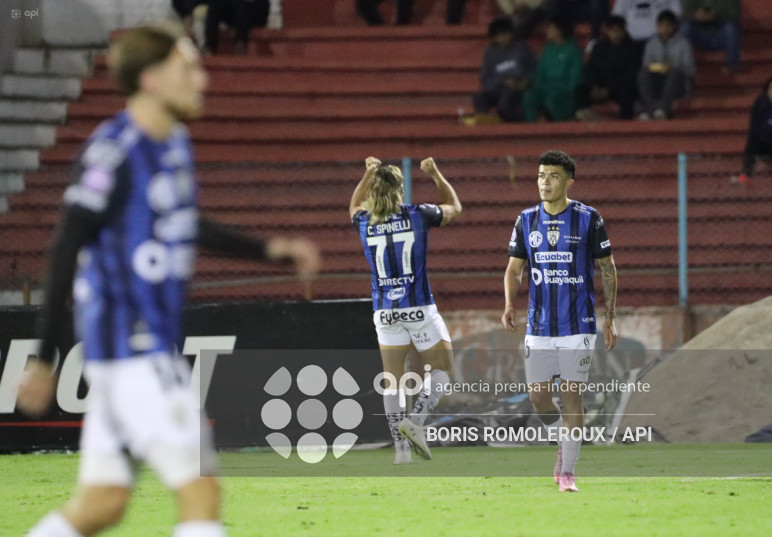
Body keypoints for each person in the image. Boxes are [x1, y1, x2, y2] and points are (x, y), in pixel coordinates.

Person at [16, 24, 320, 537]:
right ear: (153, 79)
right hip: (135, 348)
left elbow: (182, 223)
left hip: (130, 355)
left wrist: (270, 250)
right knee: (200, 491)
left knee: (102, 504)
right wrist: (44, 357)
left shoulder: (173, 143)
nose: (201, 79)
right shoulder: (113, 152)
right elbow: (65, 245)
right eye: (188, 68)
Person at [502, 149, 618, 493]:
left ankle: (567, 472)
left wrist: (610, 316)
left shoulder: (588, 218)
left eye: (552, 176)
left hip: (578, 324)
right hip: (538, 325)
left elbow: (608, 268)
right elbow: (514, 268)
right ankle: (562, 442)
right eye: (540, 175)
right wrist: (509, 303)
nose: (544, 182)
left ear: (569, 181)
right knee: (538, 397)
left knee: (572, 396)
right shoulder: (525, 220)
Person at [349, 156, 461, 464]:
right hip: (418, 307)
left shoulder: (364, 220)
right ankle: (416, 422)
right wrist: (436, 174)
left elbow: (353, 204)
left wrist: (367, 171)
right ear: (401, 190)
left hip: (384, 311)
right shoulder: (419, 214)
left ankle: (400, 450)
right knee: (444, 372)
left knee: (393, 381)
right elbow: (454, 207)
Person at [576, 15, 641, 120]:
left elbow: (630, 74)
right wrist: (595, 86)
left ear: (624, 30)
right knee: (580, 89)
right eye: (612, 30)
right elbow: (591, 69)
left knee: (627, 92)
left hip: (619, 88)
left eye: (617, 30)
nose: (614, 34)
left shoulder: (632, 48)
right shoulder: (599, 47)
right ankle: (587, 118)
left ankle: (624, 124)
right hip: (600, 87)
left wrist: (609, 89)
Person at [473, 17, 537, 122]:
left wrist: (526, 81)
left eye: (506, 34)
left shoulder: (522, 47)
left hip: (517, 87)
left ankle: (519, 123)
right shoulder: (490, 53)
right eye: (500, 35)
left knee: (505, 103)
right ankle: (487, 121)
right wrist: (502, 82)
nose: (503, 38)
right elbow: (485, 78)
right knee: (479, 98)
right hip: (498, 88)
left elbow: (532, 67)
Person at [637, 9, 695, 120]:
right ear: (657, 26)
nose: (664, 29)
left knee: (674, 73)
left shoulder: (683, 44)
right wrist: (658, 66)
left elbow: (690, 70)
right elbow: (646, 65)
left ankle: (663, 109)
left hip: (678, 83)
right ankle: (649, 109)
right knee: (643, 74)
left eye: (668, 26)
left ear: (674, 26)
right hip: (657, 80)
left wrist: (674, 66)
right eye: (661, 26)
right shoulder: (651, 43)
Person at [523, 17, 583, 122]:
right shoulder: (547, 49)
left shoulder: (574, 50)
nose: (547, 31)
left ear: (559, 30)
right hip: (546, 88)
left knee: (552, 98)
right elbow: (539, 73)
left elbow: (575, 77)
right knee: (529, 97)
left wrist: (570, 93)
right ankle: (530, 129)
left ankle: (563, 127)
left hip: (562, 90)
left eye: (550, 28)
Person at [680, 0, 741, 74]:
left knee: (731, 28)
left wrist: (716, 15)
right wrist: (695, 15)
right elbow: (683, 12)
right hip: (699, 34)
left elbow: (735, 13)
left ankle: (733, 65)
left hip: (721, 34)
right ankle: (683, 66)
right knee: (685, 28)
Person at [204, 0, 270, 56]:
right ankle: (210, 45)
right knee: (215, 3)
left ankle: (240, 43)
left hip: (255, 12)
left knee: (242, 5)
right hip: (234, 12)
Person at [612, 0, 682, 44]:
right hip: (631, 41)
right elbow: (617, 17)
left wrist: (666, 30)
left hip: (661, 40)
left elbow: (677, 14)